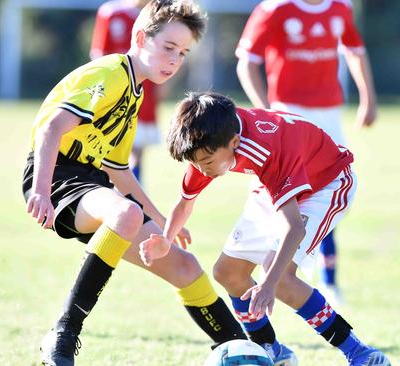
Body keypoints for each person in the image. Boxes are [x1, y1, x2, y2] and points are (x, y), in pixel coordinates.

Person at [23, 2, 246, 365]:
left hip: (92, 184)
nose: (174, 60)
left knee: (185, 267)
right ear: (141, 38)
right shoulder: (111, 73)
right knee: (125, 214)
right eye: (168, 48)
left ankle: (242, 347)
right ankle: (63, 333)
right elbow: (52, 128)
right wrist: (41, 191)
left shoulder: (135, 92)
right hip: (59, 176)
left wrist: (161, 221)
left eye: (183, 53)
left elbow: (118, 171)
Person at [141, 92, 390, 366]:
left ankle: (362, 354)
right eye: (195, 164)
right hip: (272, 183)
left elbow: (294, 228)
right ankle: (270, 350)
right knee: (228, 272)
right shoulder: (209, 143)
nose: (202, 170)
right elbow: (185, 203)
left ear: (234, 142)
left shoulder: (264, 149)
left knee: (280, 275)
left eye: (207, 163)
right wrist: (166, 240)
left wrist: (268, 284)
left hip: (326, 184)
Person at [235, 0, 379, 305]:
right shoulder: (275, 9)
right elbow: (246, 62)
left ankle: (327, 280)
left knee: (329, 190)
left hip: (329, 114)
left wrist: (368, 97)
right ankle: (270, 266)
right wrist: (267, 112)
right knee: (280, 194)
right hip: (289, 113)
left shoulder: (341, 7)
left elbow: (355, 50)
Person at [90, 0, 163, 182]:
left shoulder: (160, 13)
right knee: (112, 145)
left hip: (145, 93)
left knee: (137, 147)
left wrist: (163, 85)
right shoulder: (110, 12)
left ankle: (134, 191)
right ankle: (110, 190)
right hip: (115, 92)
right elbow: (99, 55)